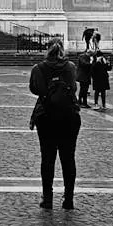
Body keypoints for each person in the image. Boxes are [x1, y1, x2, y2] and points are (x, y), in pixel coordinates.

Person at [29, 41, 82, 211]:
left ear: (47, 51)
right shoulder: (71, 67)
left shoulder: (38, 68)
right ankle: (69, 198)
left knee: (47, 158)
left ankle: (48, 198)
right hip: (69, 116)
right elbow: (74, 87)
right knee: (68, 158)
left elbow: (34, 89)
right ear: (62, 51)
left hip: (46, 116)